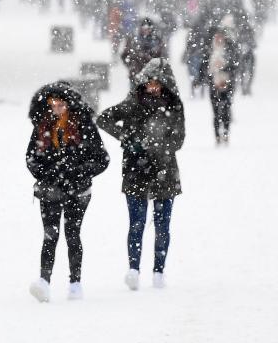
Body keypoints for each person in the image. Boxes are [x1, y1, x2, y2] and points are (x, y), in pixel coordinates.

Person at [97, 58, 185, 291]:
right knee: (136, 223)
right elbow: (103, 118)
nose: (153, 88)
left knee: (162, 224)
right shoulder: (132, 103)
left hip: (165, 171)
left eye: (157, 83)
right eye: (149, 83)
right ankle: (133, 268)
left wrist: (155, 145)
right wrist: (128, 139)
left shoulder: (174, 105)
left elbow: (179, 139)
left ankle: (159, 271)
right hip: (136, 170)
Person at [26, 82, 110, 302]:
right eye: (52, 104)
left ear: (69, 105)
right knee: (50, 235)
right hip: (50, 190)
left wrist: (79, 173)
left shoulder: (84, 126)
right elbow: (31, 158)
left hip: (78, 191)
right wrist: (46, 173)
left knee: (72, 234)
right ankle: (44, 280)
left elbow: (102, 159)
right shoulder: (42, 126)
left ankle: (75, 282)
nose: (56, 108)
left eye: (60, 104)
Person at [199, 29, 240, 145]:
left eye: (220, 37)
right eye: (216, 37)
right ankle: (217, 136)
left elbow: (235, 65)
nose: (218, 39)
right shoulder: (209, 50)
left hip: (228, 83)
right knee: (216, 111)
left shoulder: (230, 49)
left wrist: (223, 67)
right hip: (213, 84)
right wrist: (204, 77)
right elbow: (203, 66)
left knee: (226, 109)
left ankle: (226, 133)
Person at [121, 17, 167, 89]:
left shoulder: (157, 41)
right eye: (144, 28)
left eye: (148, 28)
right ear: (141, 28)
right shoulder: (133, 40)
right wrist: (131, 65)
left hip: (152, 77)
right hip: (136, 74)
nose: (146, 30)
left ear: (152, 29)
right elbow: (124, 55)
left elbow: (163, 58)